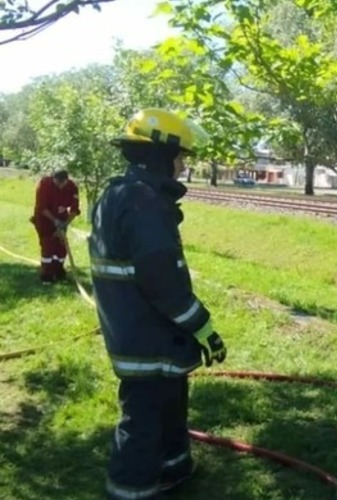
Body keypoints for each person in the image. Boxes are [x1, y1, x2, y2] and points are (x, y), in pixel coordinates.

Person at [88, 108, 228, 500]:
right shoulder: (143, 203)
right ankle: (131, 490)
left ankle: (173, 472)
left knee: (167, 408)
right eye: (181, 156)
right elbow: (163, 283)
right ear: (160, 156)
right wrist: (202, 327)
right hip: (148, 339)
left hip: (140, 334)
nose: (184, 165)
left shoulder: (123, 192)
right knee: (144, 421)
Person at [30, 169, 80, 283]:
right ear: (53, 179)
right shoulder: (44, 184)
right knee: (48, 246)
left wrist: (65, 224)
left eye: (61, 183)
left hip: (62, 219)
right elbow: (41, 207)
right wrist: (54, 221)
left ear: (66, 181)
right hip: (44, 219)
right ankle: (46, 275)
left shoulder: (72, 187)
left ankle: (58, 272)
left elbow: (74, 209)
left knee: (61, 247)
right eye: (57, 183)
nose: (59, 186)